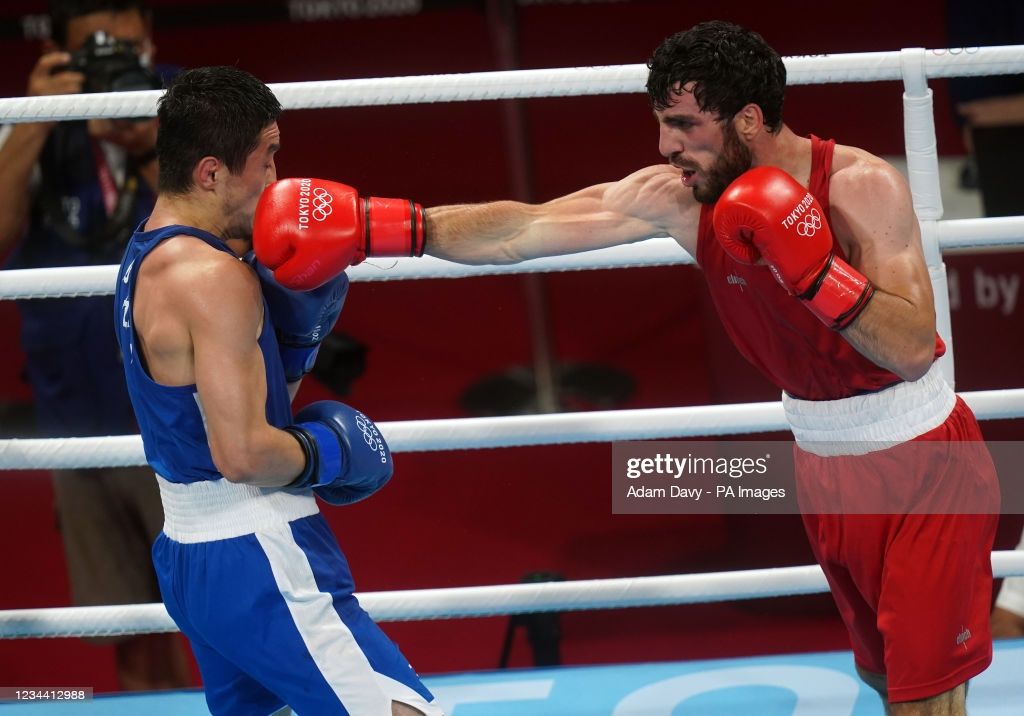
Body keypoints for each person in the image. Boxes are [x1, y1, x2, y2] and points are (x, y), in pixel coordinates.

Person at [283, 20, 1002, 715]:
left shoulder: (857, 186)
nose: (667, 146)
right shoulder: (682, 200)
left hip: (922, 465)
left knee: (926, 699)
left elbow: (911, 347)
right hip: (821, 465)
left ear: (748, 119)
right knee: (881, 677)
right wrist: (390, 229)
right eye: (662, 123)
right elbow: (524, 228)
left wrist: (814, 272)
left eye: (686, 125)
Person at [113, 64, 443, 716]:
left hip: (192, 552)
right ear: (210, 172)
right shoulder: (213, 278)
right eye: (266, 159)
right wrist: (331, 453)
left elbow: (222, 407)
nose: (274, 179)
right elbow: (242, 454)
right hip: (258, 549)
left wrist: (291, 343)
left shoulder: (148, 255)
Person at [0, 0, 189, 690]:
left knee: (217, 619)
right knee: (129, 635)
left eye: (129, 49)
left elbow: (240, 224)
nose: (117, 64)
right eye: (95, 53)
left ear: (151, 44)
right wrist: (34, 119)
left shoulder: (190, 103)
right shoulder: (29, 120)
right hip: (75, 418)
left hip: (178, 414)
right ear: (57, 57)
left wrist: (150, 142)